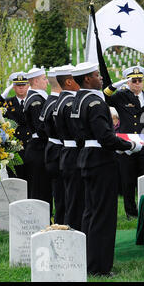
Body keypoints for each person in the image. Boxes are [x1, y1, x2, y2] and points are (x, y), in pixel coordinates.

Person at [70, 62, 142, 276]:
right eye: (96, 75)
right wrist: (130, 145)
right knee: (103, 216)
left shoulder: (78, 100)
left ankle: (89, 260)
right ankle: (99, 267)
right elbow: (106, 138)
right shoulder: (95, 102)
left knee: (90, 213)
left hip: (87, 157)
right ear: (86, 80)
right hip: (101, 161)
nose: (101, 78)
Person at [103, 66, 144, 219]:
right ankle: (131, 212)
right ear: (128, 82)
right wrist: (115, 85)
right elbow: (104, 97)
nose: (137, 83)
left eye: (140, 80)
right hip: (127, 145)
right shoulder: (121, 96)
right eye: (133, 81)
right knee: (128, 180)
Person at [52, 64, 85, 231]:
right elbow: (78, 132)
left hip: (66, 152)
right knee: (75, 199)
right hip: (74, 154)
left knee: (70, 197)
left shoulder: (61, 100)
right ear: (70, 82)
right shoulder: (71, 102)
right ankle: (75, 233)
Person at [23, 67, 53, 220]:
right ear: (35, 81)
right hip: (38, 149)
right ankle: (40, 221)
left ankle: (44, 219)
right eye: (44, 79)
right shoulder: (36, 100)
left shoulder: (38, 97)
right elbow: (41, 128)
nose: (47, 81)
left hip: (39, 147)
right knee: (40, 189)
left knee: (44, 188)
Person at [40, 68, 65, 225]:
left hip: (52, 149)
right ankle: (61, 224)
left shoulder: (50, 101)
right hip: (58, 152)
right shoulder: (56, 104)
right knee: (62, 195)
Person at [0, 71, 31, 180]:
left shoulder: (33, 101)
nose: (21, 88)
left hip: (30, 147)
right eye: (17, 85)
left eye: (23, 85)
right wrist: (2, 96)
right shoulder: (7, 103)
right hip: (14, 149)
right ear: (13, 87)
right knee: (15, 181)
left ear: (28, 86)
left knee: (31, 182)